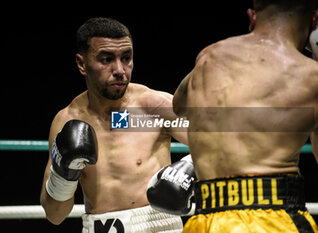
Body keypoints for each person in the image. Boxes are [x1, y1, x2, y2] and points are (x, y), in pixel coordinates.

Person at [171, 1, 318, 232]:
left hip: (206, 219)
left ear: (252, 17)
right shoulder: (310, 76)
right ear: (314, 20)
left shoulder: (208, 57)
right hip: (274, 219)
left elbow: (178, 106)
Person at [40, 17, 190, 233]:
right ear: (82, 64)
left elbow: (220, 147)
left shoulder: (154, 107)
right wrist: (63, 175)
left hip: (158, 226)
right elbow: (55, 215)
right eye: (106, 59)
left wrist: (187, 170)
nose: (120, 69)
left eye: (126, 58)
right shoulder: (67, 121)